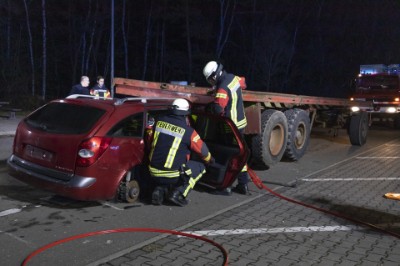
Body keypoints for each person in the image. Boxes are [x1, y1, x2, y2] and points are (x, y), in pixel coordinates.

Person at [148, 98, 214, 206]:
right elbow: (203, 151)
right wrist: (210, 160)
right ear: (185, 114)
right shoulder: (188, 131)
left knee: (168, 168)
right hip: (172, 175)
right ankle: (178, 194)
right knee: (200, 167)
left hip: (152, 171)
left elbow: (150, 139)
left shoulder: (159, 122)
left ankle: (159, 190)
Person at [202, 61, 250, 195]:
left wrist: (215, 99)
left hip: (230, 126)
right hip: (240, 123)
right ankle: (243, 183)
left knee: (226, 155)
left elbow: (218, 109)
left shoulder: (222, 88)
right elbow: (243, 83)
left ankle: (224, 186)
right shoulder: (233, 78)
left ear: (215, 76)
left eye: (210, 79)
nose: (210, 82)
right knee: (239, 153)